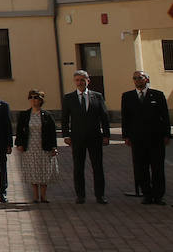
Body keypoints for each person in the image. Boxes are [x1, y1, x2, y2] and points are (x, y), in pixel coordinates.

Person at [121, 70, 170, 205]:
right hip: (137, 139)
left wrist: (167, 134)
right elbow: (125, 118)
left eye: (140, 78)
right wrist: (126, 135)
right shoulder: (127, 96)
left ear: (147, 79)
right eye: (135, 78)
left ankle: (158, 195)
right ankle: (147, 194)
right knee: (141, 168)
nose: (137, 80)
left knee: (157, 168)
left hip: (156, 138)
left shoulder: (158, 95)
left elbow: (165, 116)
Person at [61, 70, 110, 204]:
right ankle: (80, 195)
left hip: (95, 137)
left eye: (82, 80)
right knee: (78, 167)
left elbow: (104, 117)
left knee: (97, 167)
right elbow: (64, 118)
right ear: (74, 82)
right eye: (77, 80)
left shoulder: (97, 96)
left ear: (88, 81)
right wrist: (66, 135)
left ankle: (100, 195)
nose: (80, 82)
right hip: (77, 138)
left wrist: (106, 135)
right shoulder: (69, 98)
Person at [14, 89, 58, 203]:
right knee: (33, 171)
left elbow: (52, 133)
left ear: (41, 100)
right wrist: (19, 144)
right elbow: (19, 131)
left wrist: (54, 147)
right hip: (30, 147)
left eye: (36, 98)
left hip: (44, 146)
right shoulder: (24, 115)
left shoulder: (47, 115)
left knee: (44, 170)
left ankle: (43, 196)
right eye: (31, 98)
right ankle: (35, 196)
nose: (33, 100)